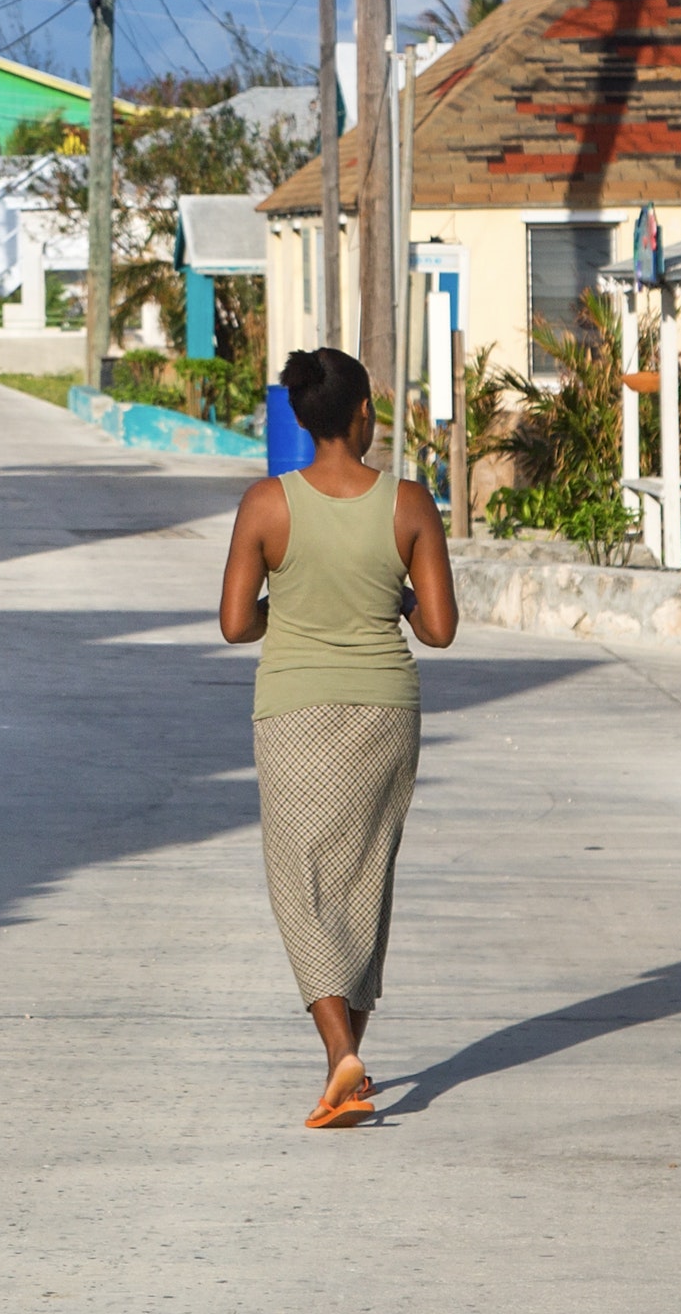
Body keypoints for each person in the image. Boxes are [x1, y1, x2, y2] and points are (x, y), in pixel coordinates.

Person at [218, 344, 457, 1129]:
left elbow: (233, 624)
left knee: (302, 885)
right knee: (362, 883)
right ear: (365, 415)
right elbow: (440, 629)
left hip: (291, 710)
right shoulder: (411, 504)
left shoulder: (266, 503)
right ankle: (343, 1068)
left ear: (301, 416)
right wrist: (395, 599)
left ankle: (338, 1058)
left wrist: (279, 613)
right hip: (387, 710)